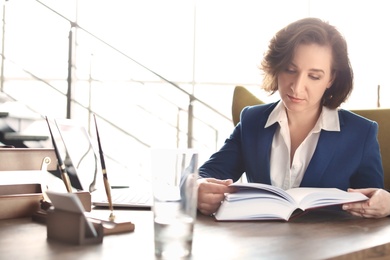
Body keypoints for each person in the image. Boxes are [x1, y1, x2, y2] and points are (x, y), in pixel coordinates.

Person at [195, 17, 388, 218]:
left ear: (331, 79)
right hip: (261, 243)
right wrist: (197, 188)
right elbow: (203, 176)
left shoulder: (361, 133)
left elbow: (375, 201)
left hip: (330, 247)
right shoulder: (252, 121)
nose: (296, 87)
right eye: (290, 70)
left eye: (314, 76)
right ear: (277, 67)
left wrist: (387, 203)